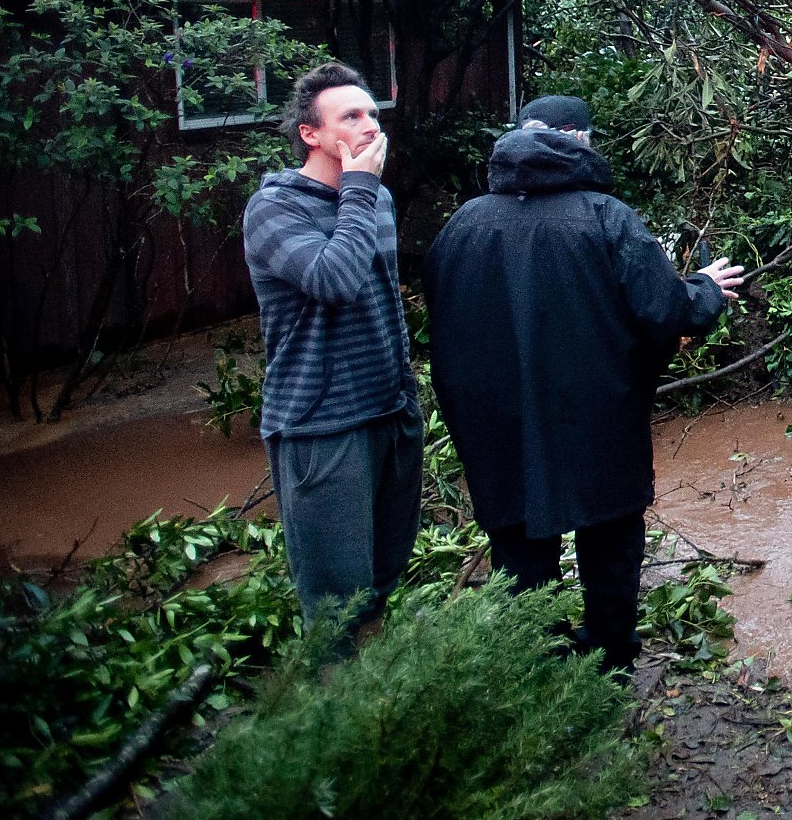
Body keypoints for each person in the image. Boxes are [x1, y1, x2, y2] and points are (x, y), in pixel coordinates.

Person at [423, 95, 744, 673]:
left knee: (519, 552)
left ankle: (538, 671)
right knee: (610, 541)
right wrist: (706, 289)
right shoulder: (604, 216)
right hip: (597, 420)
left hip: (496, 427)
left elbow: (441, 332)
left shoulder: (463, 225)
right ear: (576, 137)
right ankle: (609, 664)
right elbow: (666, 313)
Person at [242, 61, 422, 631]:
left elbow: (384, 303)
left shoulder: (377, 202)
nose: (371, 125)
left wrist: (407, 393)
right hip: (322, 426)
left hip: (390, 414)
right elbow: (335, 282)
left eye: (373, 112)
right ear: (311, 134)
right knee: (335, 609)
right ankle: (336, 707)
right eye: (351, 115)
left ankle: (378, 714)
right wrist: (360, 190)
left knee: (381, 583)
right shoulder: (273, 208)